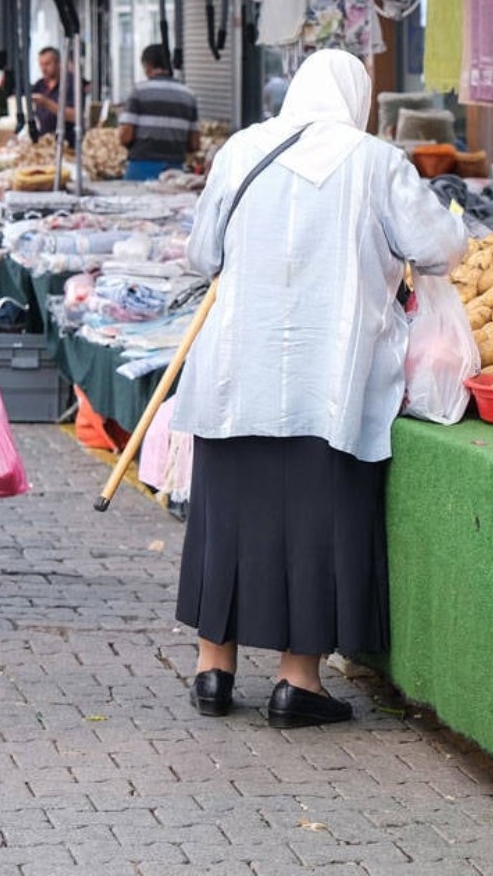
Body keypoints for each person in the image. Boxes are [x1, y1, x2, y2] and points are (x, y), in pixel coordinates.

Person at [165, 49, 466, 729]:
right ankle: (298, 682)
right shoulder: (375, 161)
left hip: (236, 372)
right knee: (314, 524)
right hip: (333, 377)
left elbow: (200, 255)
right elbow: (440, 250)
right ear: (355, 98)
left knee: (230, 518)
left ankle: (214, 669)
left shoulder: (242, 149)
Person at [118, 43, 200, 180]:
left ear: (147, 66)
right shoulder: (189, 95)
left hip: (141, 169)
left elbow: (126, 136)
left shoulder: (139, 92)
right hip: (175, 172)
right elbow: (194, 144)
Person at [30, 46, 81, 141]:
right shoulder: (39, 85)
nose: (44, 69)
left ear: (58, 63)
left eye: (47, 64)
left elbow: (75, 116)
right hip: (44, 140)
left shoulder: (71, 83)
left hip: (67, 142)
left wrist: (47, 103)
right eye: (41, 64)